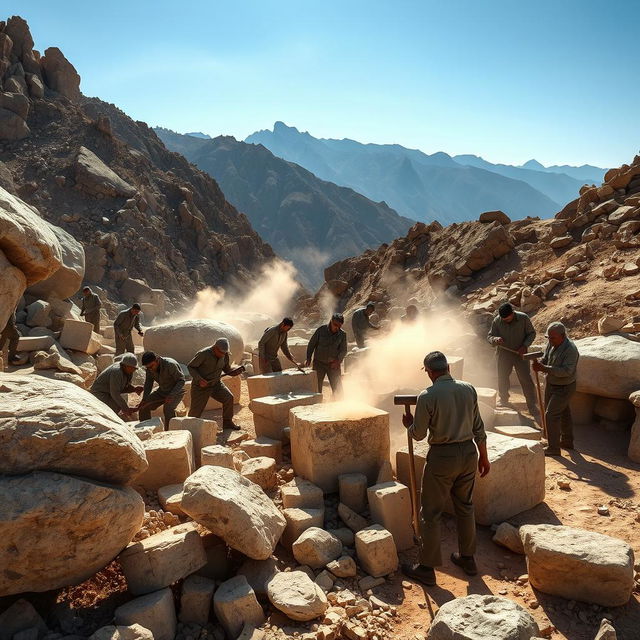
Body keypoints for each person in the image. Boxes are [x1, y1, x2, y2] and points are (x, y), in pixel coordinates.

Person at [401, 351, 490, 587]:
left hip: (442, 457)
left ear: (429, 372)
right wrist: (484, 456)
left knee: (430, 512)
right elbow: (478, 426)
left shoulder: (427, 396)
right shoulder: (468, 388)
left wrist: (409, 426)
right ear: (448, 367)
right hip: (469, 453)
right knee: (465, 506)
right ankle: (468, 559)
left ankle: (427, 568)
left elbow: (418, 435)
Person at [532, 322, 580, 456]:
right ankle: (567, 441)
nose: (550, 340)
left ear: (563, 336)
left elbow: (567, 371)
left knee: (551, 414)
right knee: (563, 412)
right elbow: (546, 358)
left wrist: (544, 368)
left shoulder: (571, 349)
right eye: (549, 338)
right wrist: (541, 362)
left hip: (565, 386)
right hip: (552, 383)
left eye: (553, 338)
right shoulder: (551, 343)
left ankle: (554, 448)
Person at [487, 302, 540, 421]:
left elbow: (532, 333)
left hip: (520, 354)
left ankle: (532, 406)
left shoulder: (523, 318)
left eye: (507, 318)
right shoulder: (497, 321)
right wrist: (495, 339)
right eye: (503, 319)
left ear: (512, 313)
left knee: (525, 379)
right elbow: (489, 336)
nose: (505, 320)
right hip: (504, 354)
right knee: (503, 377)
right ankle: (504, 400)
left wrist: (525, 345)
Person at [187, 338, 244, 429]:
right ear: (215, 348)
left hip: (216, 384)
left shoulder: (224, 354)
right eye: (221, 352)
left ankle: (227, 422)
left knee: (228, 398)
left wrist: (234, 372)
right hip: (200, 386)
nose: (223, 355)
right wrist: (199, 379)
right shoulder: (203, 354)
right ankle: (189, 430)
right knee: (195, 412)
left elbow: (227, 369)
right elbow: (191, 367)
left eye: (224, 353)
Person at [305, 313, 347, 397]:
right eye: (335, 325)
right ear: (331, 321)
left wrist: (338, 361)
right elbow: (311, 344)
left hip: (333, 365)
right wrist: (308, 357)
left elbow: (343, 350)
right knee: (317, 387)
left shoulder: (342, 334)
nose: (337, 328)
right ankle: (317, 405)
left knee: (338, 388)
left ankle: (339, 404)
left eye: (339, 326)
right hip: (319, 363)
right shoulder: (321, 330)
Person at [138, 351, 186, 424]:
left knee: (168, 409)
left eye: (151, 366)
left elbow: (181, 380)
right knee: (144, 407)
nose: (150, 369)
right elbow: (148, 384)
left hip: (176, 391)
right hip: (162, 391)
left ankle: (171, 431)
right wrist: (144, 399)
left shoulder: (170, 364)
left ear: (157, 360)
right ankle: (145, 429)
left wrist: (171, 395)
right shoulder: (149, 369)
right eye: (147, 367)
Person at [90, 353, 142, 418]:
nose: (134, 370)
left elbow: (123, 387)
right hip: (99, 394)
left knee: (121, 402)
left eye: (135, 368)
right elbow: (115, 393)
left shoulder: (128, 371)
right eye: (132, 368)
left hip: (108, 392)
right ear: (125, 366)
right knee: (115, 406)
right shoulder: (117, 372)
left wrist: (134, 389)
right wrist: (126, 409)